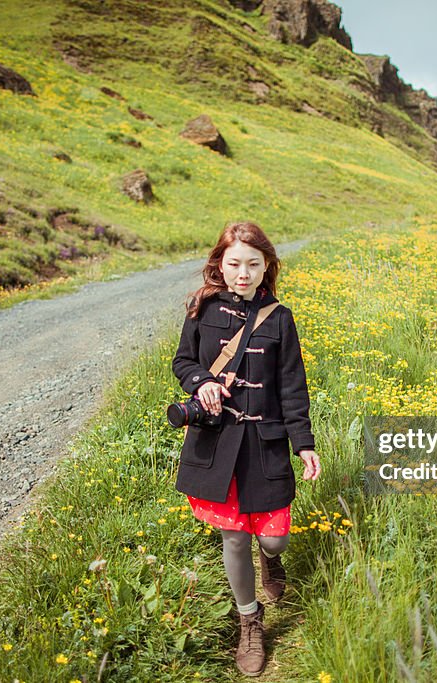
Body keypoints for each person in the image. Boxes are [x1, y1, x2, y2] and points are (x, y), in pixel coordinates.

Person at [172, 221, 320, 677]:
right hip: (217, 442)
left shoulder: (279, 317)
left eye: (253, 265)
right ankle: (249, 620)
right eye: (234, 263)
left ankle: (270, 560)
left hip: (266, 442)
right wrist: (202, 383)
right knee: (233, 535)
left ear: (266, 267)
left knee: (274, 536)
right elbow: (183, 361)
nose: (242, 273)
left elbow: (292, 386)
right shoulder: (202, 308)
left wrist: (304, 444)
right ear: (220, 263)